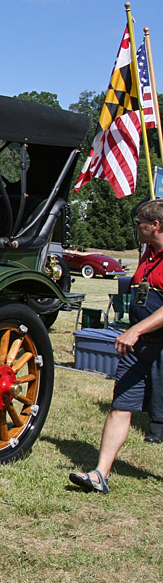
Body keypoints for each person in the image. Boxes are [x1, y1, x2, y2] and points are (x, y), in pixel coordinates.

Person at [70, 199, 163, 493]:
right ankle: (100, 474)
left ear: (155, 225)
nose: (136, 230)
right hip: (137, 350)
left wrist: (134, 330)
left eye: (139, 225)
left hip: (158, 346)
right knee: (120, 407)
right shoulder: (148, 254)